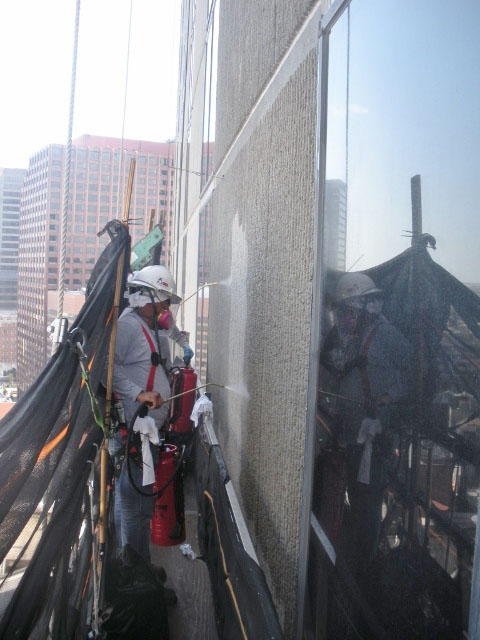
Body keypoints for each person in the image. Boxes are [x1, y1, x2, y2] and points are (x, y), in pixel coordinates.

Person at [321, 272, 413, 571]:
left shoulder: (384, 335)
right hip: (350, 435)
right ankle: (357, 556)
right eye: (341, 312)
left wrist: (384, 409)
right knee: (354, 497)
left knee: (367, 501)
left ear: (363, 307)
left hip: (371, 436)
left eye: (347, 312)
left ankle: (364, 567)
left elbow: (412, 376)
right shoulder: (353, 338)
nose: (343, 319)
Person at [109, 265, 185, 562]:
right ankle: (136, 573)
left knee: (128, 502)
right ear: (146, 297)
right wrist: (139, 393)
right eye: (163, 300)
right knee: (136, 508)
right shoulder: (128, 326)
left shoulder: (149, 327)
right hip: (134, 432)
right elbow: (105, 367)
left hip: (144, 432)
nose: (166, 307)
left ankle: (127, 565)